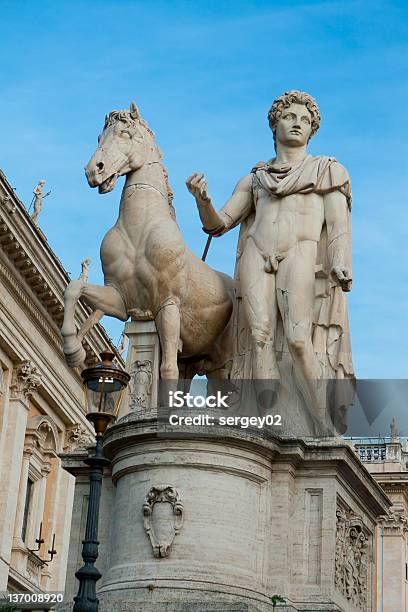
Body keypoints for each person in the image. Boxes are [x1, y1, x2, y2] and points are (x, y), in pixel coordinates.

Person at [186, 90, 353, 431]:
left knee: (296, 339)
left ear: (312, 130)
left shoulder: (327, 171)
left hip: (300, 254)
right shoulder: (255, 179)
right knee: (258, 338)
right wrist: (203, 200)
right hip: (257, 255)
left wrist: (340, 261)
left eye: (305, 120)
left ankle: (321, 424)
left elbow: (338, 225)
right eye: (290, 117)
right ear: (274, 125)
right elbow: (218, 224)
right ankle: (269, 422)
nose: (297, 124)